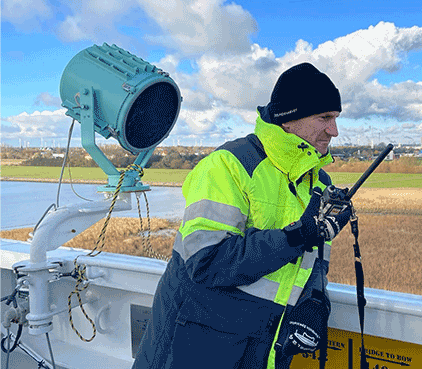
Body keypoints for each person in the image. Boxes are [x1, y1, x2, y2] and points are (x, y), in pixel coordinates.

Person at [132, 62, 353, 369]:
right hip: (197, 344)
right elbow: (206, 261)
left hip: (264, 347)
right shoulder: (228, 166)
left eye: (336, 118)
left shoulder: (318, 181)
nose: (334, 130)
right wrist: (296, 236)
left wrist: (315, 302)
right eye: (325, 118)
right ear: (291, 118)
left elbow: (313, 262)